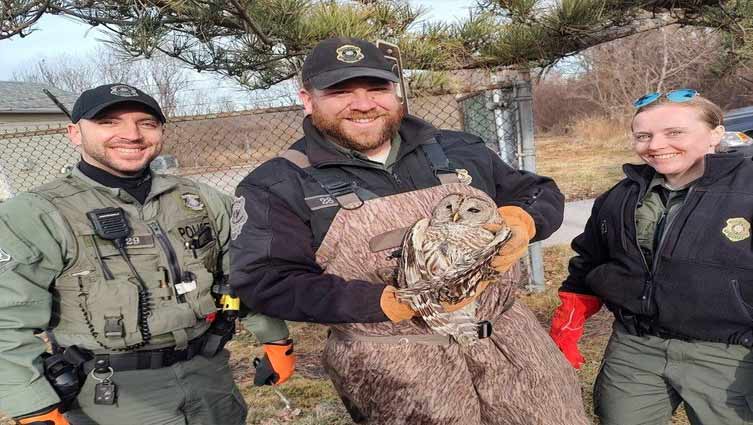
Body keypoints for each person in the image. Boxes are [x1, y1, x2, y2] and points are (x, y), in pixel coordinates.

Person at [230, 37, 589, 425]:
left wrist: (524, 219)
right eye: (341, 91)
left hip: (512, 344)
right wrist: (380, 302)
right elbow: (265, 282)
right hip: (395, 365)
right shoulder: (276, 185)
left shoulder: (457, 148)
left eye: (377, 88)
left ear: (396, 92)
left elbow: (538, 190)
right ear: (307, 99)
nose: (364, 104)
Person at [0, 84, 295, 425]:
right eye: (109, 122)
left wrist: (275, 339)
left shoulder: (200, 199)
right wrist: (34, 408)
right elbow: (7, 319)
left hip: (210, 376)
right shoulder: (37, 213)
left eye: (146, 123)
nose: (131, 134)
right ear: (74, 133)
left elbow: (242, 275)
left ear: (161, 132)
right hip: (111, 396)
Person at [549, 89, 753, 425]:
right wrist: (567, 326)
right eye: (643, 136)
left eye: (674, 132)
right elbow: (588, 261)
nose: (655, 145)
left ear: (715, 133)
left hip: (728, 352)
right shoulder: (620, 196)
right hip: (635, 347)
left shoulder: (747, 189)